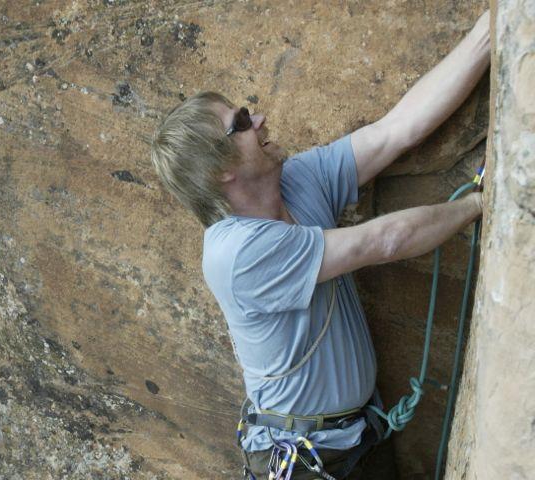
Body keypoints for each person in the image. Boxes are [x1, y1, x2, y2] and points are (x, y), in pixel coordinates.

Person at [150, 10, 490, 480]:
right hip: (313, 464)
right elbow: (385, 240)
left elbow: (397, 130)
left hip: (355, 440)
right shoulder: (236, 255)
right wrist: (480, 205)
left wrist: (486, 36)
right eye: (242, 121)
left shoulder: (297, 181)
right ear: (218, 171)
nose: (260, 120)